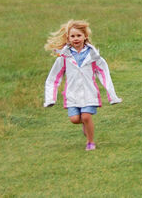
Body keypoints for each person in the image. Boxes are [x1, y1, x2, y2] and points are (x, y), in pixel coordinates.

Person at [43, 20, 121, 151]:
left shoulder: (93, 55)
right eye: (72, 36)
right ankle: (85, 124)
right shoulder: (63, 57)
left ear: (85, 37)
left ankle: (90, 142)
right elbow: (53, 79)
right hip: (72, 94)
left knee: (86, 116)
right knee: (74, 119)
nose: (76, 39)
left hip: (89, 92)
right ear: (68, 38)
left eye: (79, 35)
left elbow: (104, 74)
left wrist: (112, 96)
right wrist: (50, 98)